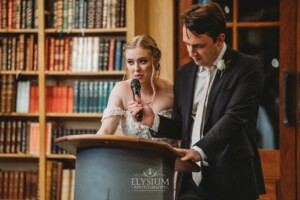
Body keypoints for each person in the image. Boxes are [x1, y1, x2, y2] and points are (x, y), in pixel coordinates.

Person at [128, 2, 266, 200]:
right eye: (187, 43)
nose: (191, 52)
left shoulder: (247, 68)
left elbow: (235, 118)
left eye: (199, 46)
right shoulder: (184, 73)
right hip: (189, 180)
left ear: (220, 40)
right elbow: (180, 125)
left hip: (232, 179)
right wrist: (153, 120)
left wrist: (199, 151)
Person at [96, 34, 174, 142]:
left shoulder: (172, 90)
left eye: (142, 61)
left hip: (166, 158)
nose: (136, 68)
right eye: (130, 62)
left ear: (155, 61)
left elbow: (184, 134)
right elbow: (106, 131)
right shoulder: (120, 90)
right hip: (131, 158)